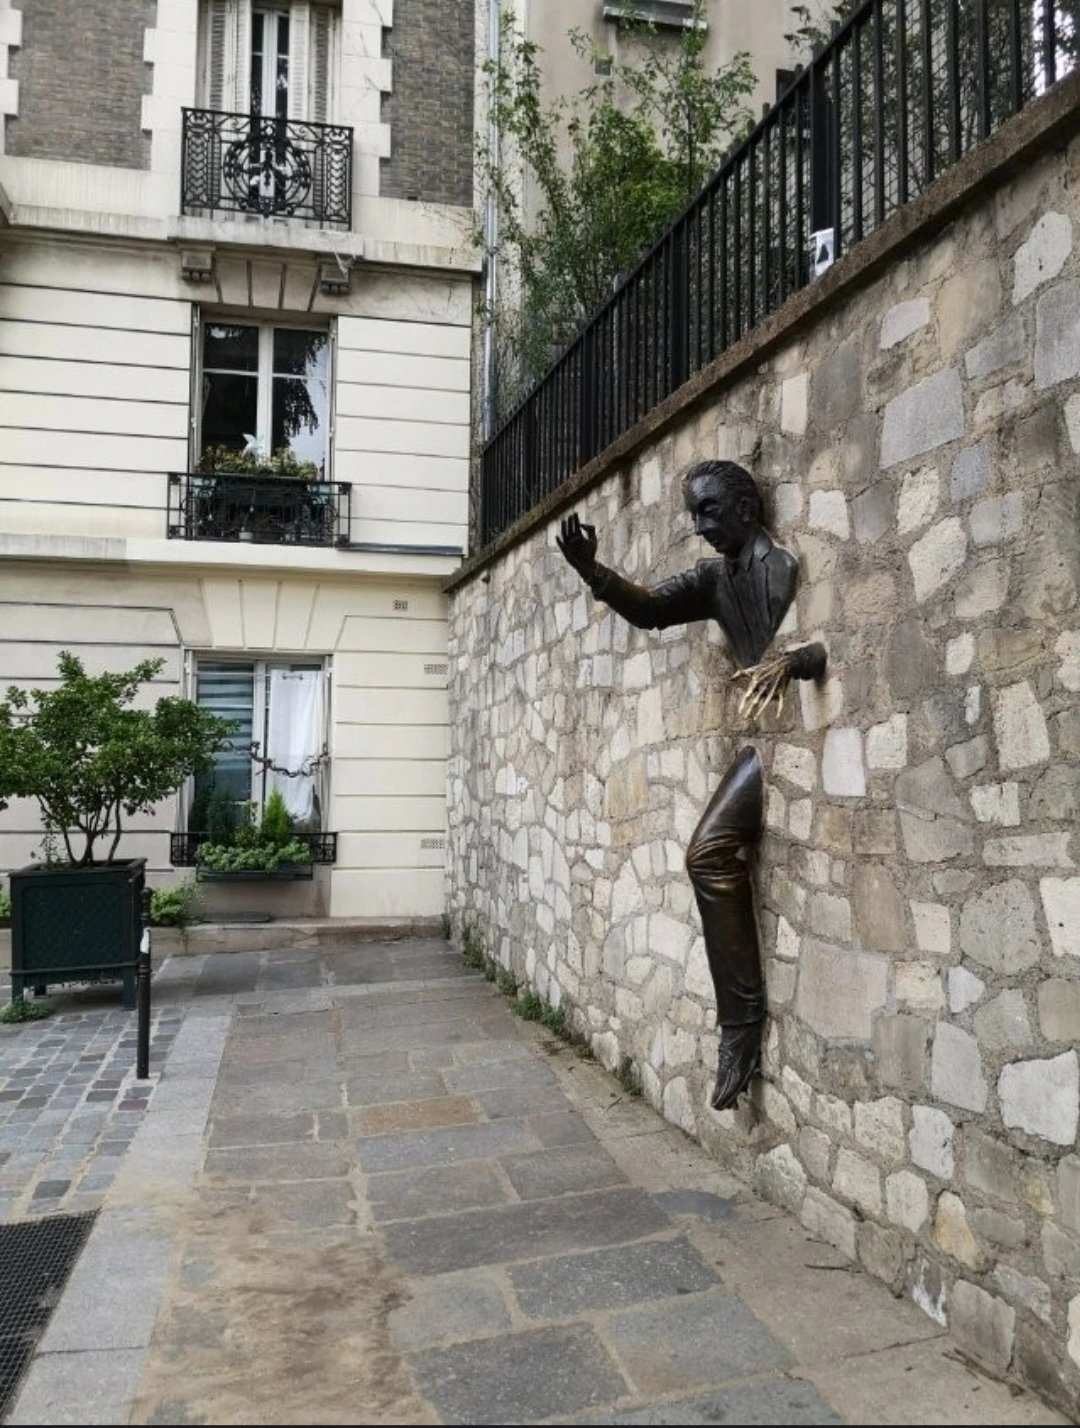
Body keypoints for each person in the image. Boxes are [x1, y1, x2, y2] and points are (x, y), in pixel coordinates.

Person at [557, 459, 827, 1110]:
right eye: (694, 515)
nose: (700, 527)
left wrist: (791, 660)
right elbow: (651, 609)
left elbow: (827, 651)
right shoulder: (714, 579)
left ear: (745, 507)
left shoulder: (782, 568)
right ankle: (741, 1026)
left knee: (706, 854)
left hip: (785, 748)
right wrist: (592, 571)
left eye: (709, 511)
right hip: (759, 747)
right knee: (705, 854)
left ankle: (742, 1026)